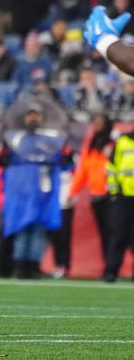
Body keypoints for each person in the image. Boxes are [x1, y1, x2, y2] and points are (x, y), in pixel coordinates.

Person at [0, 103, 68, 279]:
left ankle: (33, 266)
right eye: (30, 115)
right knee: (21, 229)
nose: (33, 118)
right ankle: (20, 266)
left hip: (42, 193)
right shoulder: (14, 139)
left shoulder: (51, 140)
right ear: (24, 118)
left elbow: (65, 162)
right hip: (20, 192)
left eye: (36, 115)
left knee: (38, 230)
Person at [68, 114, 113, 277]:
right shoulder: (91, 145)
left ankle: (112, 266)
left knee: (118, 232)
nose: (98, 126)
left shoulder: (113, 143)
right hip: (96, 194)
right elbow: (83, 171)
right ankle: (109, 267)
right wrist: (73, 191)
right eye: (96, 122)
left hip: (114, 193)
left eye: (101, 123)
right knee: (105, 233)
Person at [103, 125, 134, 282]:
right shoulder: (122, 140)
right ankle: (111, 271)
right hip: (124, 196)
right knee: (119, 234)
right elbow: (111, 167)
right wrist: (114, 192)